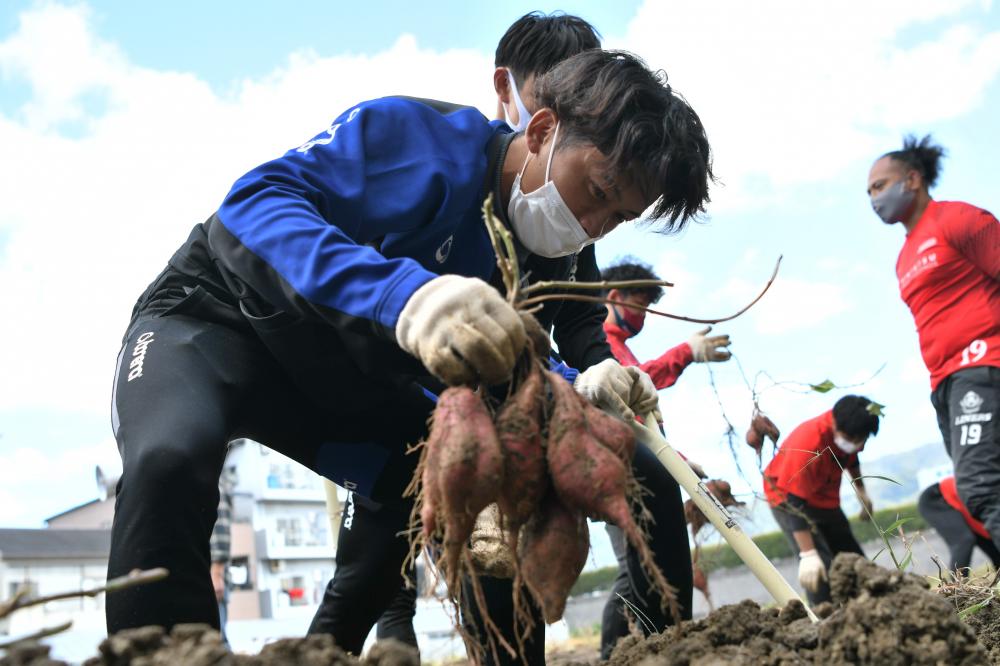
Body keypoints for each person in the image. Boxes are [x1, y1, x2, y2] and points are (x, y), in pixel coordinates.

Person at [105, 47, 714, 660]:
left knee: (422, 490)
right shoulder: (422, 141)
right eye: (598, 191)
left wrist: (575, 383)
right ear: (542, 129)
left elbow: (510, 357)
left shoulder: (538, 254)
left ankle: (324, 651)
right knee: (168, 458)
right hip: (216, 318)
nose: (591, 225)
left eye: (616, 218)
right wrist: (407, 296)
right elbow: (255, 204)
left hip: (343, 381)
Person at [307, 12, 604, 656]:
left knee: (502, 591)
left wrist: (588, 378)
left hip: (492, 422)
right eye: (551, 101)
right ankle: (388, 631)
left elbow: (569, 324)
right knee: (368, 571)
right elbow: (340, 267)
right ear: (509, 90)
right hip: (394, 400)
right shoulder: (438, 161)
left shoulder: (569, 210)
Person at [867, 135, 1000, 554]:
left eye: (880, 185)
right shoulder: (904, 257)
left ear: (913, 179)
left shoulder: (958, 220)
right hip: (945, 384)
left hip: (981, 367)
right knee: (974, 490)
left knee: (982, 488)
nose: (873, 198)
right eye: (869, 191)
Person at [597, 259, 731, 659]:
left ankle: (637, 649)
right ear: (615, 296)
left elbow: (641, 418)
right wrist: (685, 353)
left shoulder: (617, 343)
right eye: (639, 305)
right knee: (634, 567)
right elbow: (635, 382)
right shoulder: (599, 340)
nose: (641, 317)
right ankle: (614, 653)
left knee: (636, 566)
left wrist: (677, 459)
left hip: (635, 466)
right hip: (623, 473)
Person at [763, 395, 881, 604]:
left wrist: (861, 490)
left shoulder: (851, 435)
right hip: (787, 499)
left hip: (824, 498)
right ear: (835, 424)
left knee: (855, 560)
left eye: (859, 441)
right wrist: (807, 554)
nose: (854, 444)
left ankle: (871, 605)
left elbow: (852, 457)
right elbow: (794, 502)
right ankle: (823, 617)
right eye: (850, 439)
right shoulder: (809, 442)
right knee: (821, 569)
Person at [918, 476, 1000, 573]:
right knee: (964, 541)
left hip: (964, 503)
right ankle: (957, 586)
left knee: (993, 545)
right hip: (938, 498)